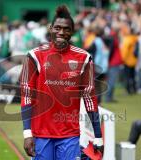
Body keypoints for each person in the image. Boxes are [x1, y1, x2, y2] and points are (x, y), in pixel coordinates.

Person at [20, 5, 103, 159]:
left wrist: (98, 136)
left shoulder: (84, 58)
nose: (61, 32)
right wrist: (27, 133)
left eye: (66, 29)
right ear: (50, 28)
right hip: (40, 134)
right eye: (57, 28)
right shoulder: (34, 56)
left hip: (69, 135)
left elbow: (89, 98)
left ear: (72, 32)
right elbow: (26, 95)